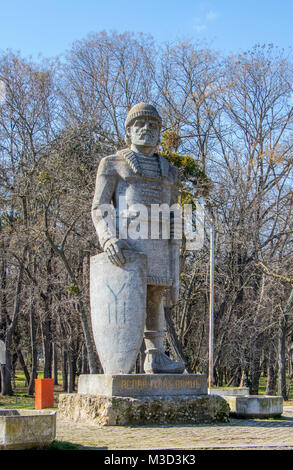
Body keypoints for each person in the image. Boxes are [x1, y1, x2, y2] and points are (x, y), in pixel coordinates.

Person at [92, 102, 185, 373]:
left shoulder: (169, 170)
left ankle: (155, 355)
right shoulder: (113, 164)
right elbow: (100, 206)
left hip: (159, 243)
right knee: (126, 297)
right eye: (139, 124)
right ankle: (120, 360)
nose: (146, 129)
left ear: (159, 132)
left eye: (153, 125)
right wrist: (108, 238)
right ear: (129, 131)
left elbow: (174, 213)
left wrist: (174, 251)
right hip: (127, 244)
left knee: (155, 294)